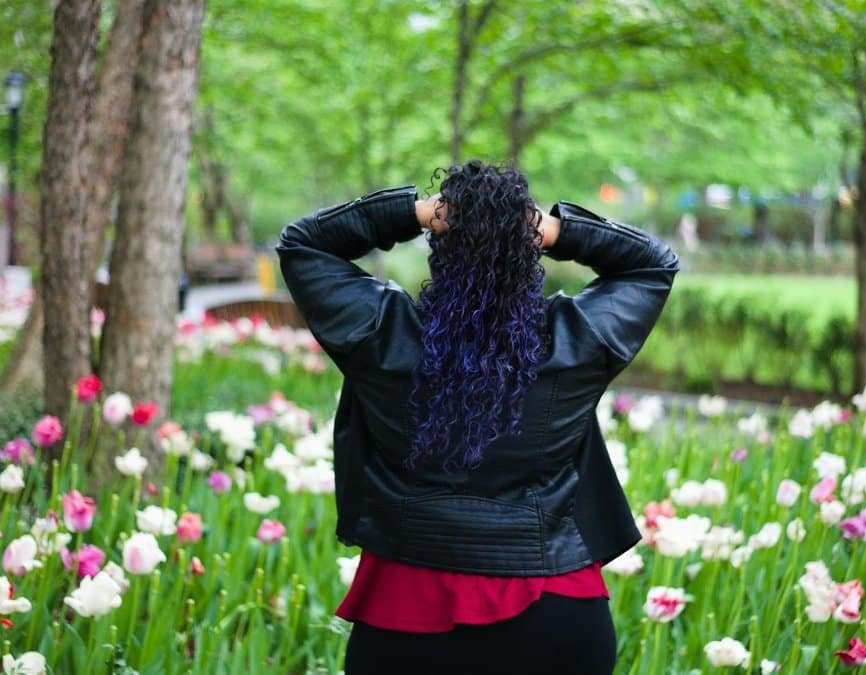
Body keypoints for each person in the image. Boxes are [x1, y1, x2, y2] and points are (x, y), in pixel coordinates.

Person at [276, 161, 680, 675]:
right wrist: (554, 228)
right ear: (529, 249)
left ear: (441, 245)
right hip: (554, 610)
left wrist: (417, 212)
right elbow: (653, 263)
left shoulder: (380, 332)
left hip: (406, 612)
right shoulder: (574, 340)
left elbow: (304, 245)